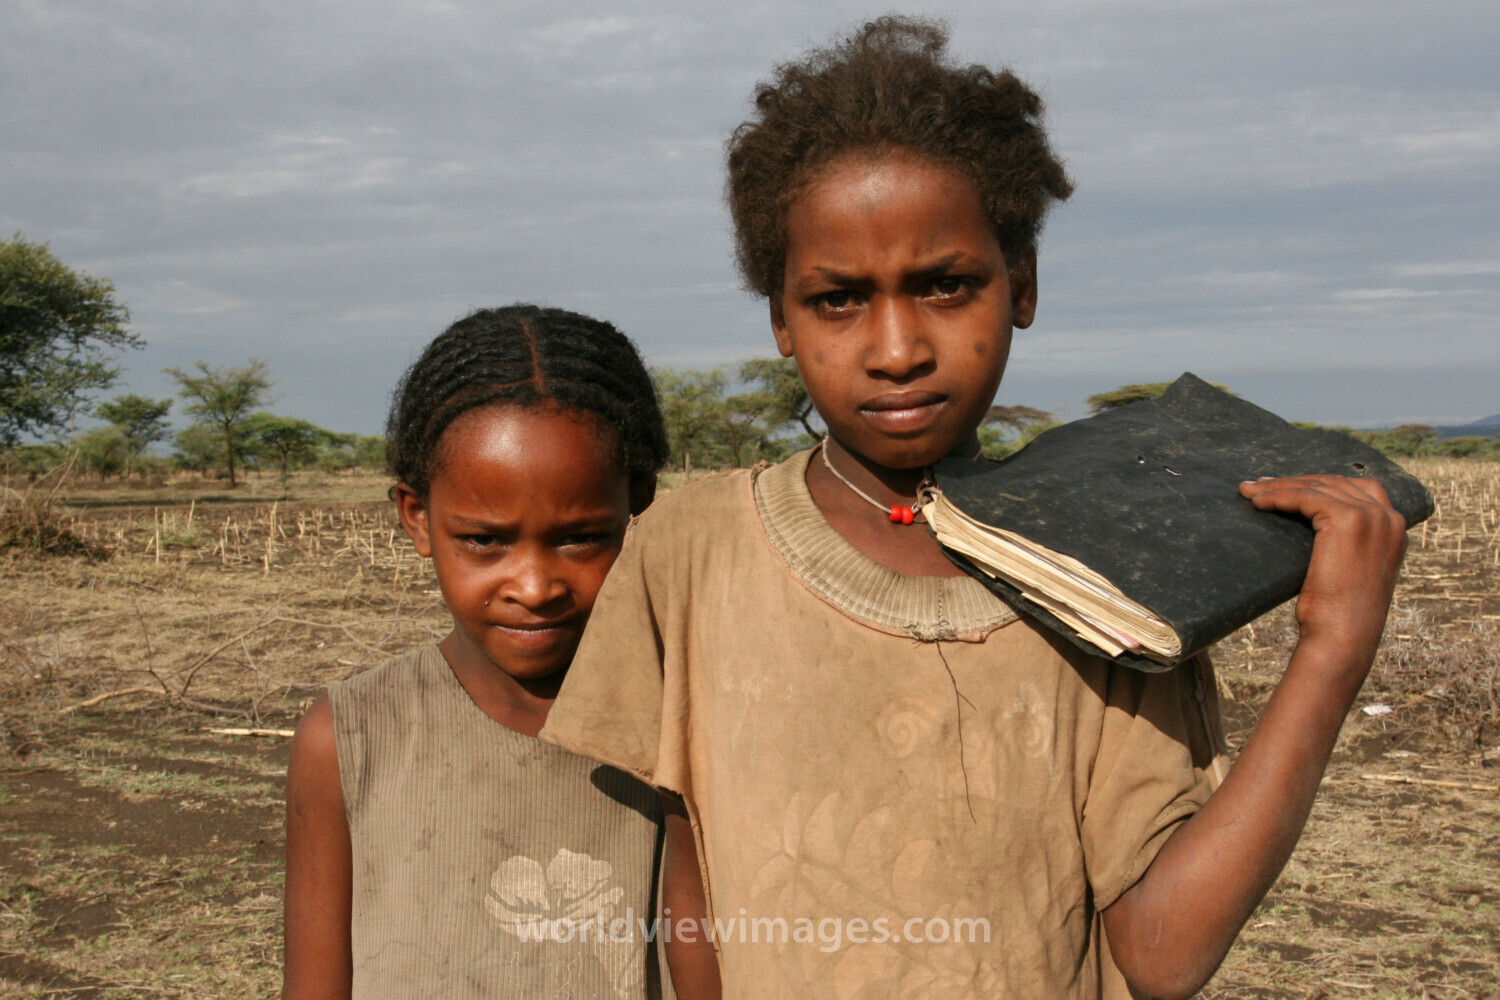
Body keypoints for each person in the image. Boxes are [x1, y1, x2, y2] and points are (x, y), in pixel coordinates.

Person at [539, 18, 1410, 1000]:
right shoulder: (690, 558)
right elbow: (686, 889)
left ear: (1021, 286)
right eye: (838, 300)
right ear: (780, 319)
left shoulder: (1103, 578)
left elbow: (1163, 953)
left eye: (946, 285)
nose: (898, 346)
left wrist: (1332, 650)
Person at [282, 305, 674, 1000]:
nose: (534, 586)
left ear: (635, 511)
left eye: (580, 537)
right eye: (485, 541)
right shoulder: (351, 737)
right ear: (418, 518)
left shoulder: (681, 723)